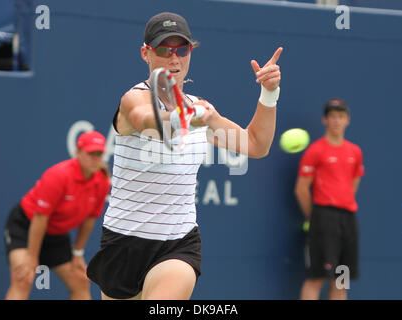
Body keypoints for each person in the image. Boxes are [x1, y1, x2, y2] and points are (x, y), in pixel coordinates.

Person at [86, 11, 282, 300]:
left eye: (182, 49)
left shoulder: (202, 110)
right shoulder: (134, 98)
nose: (174, 59)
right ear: (146, 53)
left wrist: (269, 93)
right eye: (165, 50)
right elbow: (145, 119)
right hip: (123, 243)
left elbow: (256, 144)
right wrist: (186, 118)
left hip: (178, 245)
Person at [4, 131, 111, 300]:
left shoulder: (103, 182)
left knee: (80, 280)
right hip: (26, 226)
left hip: (56, 235)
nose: (95, 158)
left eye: (99, 154)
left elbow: (90, 219)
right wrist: (32, 256)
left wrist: (77, 254)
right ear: (78, 152)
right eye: (91, 153)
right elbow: (41, 218)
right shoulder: (59, 175)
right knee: (23, 277)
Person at [294, 98, 365, 300]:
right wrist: (315, 217)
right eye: (332, 116)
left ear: (347, 120)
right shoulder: (315, 150)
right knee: (317, 277)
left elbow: (353, 183)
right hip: (323, 218)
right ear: (325, 120)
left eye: (341, 116)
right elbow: (301, 189)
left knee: (341, 279)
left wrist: (344, 203)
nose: (336, 121)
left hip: (348, 218)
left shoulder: (355, 152)